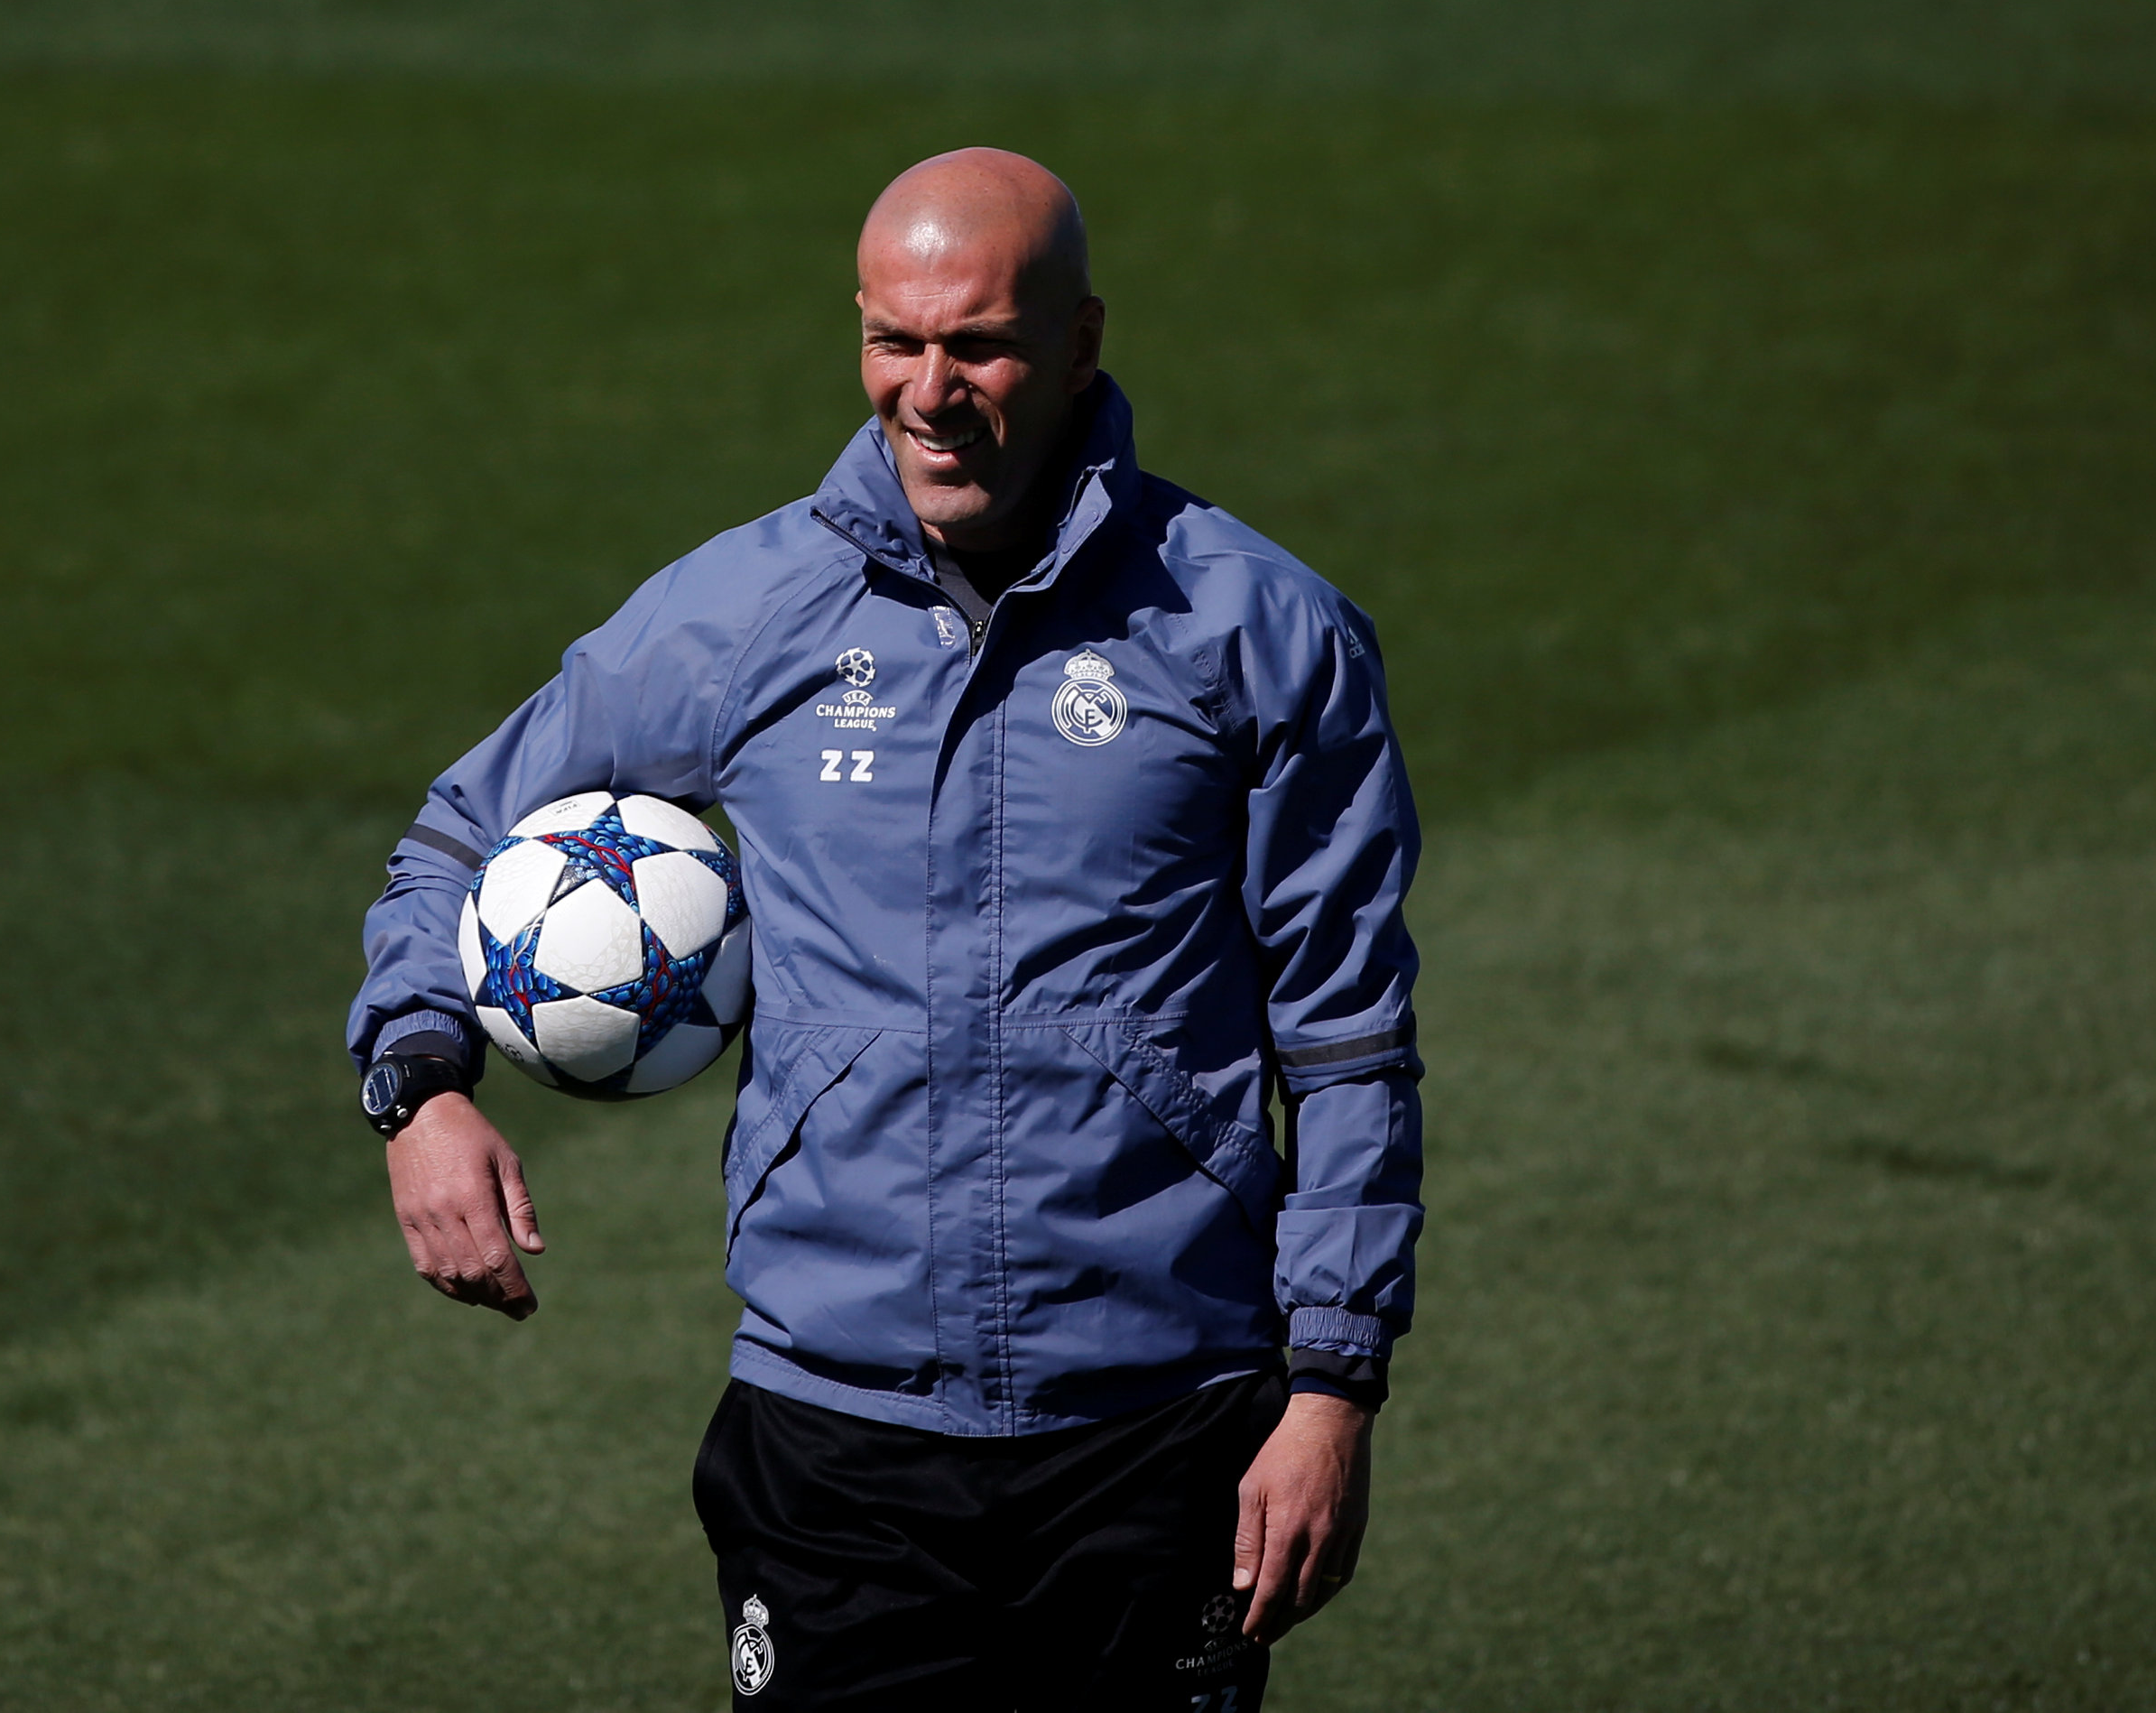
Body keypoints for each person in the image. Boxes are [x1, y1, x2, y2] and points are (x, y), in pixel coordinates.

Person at [343, 149, 1424, 1710]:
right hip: (837, 1438)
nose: (930, 392)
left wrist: (1331, 1389)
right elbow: (459, 832)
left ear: (1079, 344)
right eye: (891, 341)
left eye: (977, 345)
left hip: (1162, 1425)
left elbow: (1346, 1041)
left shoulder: (1257, 629)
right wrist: (421, 1084)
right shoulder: (745, 612)